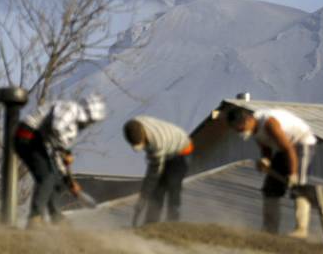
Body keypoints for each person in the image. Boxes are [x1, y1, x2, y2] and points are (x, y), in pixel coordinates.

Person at [14, 94, 106, 228]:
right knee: (47, 177)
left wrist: (69, 180)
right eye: (91, 120)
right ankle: (35, 218)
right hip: (28, 134)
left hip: (37, 141)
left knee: (56, 179)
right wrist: (66, 151)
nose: (89, 124)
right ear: (88, 114)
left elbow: (58, 155)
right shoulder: (70, 109)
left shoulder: (72, 129)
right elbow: (57, 127)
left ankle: (55, 216)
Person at [226, 106, 316, 238]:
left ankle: (301, 230)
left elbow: (289, 149)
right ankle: (270, 229)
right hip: (283, 148)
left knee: (299, 187)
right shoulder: (254, 129)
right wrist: (266, 160)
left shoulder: (269, 123)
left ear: (248, 120)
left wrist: (292, 174)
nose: (239, 131)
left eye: (239, 128)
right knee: (270, 188)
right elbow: (266, 147)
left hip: (301, 143)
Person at [123, 116, 193, 226]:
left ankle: (173, 222)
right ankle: (150, 223)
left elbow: (153, 174)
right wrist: (144, 196)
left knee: (172, 184)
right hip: (166, 150)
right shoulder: (134, 125)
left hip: (182, 150)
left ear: (144, 135)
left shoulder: (157, 142)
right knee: (157, 190)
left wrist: (143, 197)